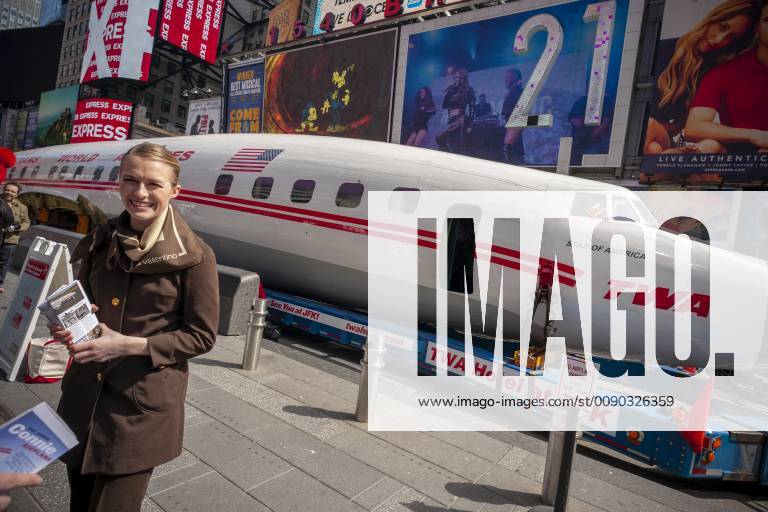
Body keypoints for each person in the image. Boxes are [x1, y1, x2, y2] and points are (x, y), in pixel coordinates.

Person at [49, 142, 219, 512]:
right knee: (78, 501)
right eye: (130, 180)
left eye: (153, 184)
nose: (140, 193)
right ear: (119, 183)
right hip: (84, 398)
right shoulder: (100, 240)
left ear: (175, 191)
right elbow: (87, 305)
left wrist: (129, 346)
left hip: (138, 409)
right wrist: (72, 327)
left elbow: (202, 335)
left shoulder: (195, 257)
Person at [644, 0, 759, 154]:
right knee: (653, 148)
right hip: (647, 138)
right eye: (722, 27)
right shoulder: (661, 50)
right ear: (712, 18)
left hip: (660, 134)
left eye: (731, 38)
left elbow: (683, 126)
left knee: (650, 126)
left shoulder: (713, 71)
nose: (719, 40)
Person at [685, 0, 768, 152]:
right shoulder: (725, 72)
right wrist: (754, 135)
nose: (719, 39)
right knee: (707, 148)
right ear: (757, 28)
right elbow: (694, 127)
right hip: (737, 158)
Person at [0, 181, 30, 294]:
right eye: (7, 190)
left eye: (13, 191)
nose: (9, 193)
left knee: (4, 263)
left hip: (10, 239)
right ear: (3, 190)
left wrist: (17, 227)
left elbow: (27, 222)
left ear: (17, 194)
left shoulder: (22, 207)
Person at [436, 69, 475, 153]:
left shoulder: (469, 90)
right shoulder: (452, 90)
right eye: (455, 77)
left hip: (461, 120)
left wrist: (470, 126)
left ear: (463, 78)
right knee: (441, 139)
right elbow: (444, 105)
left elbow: (472, 109)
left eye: (458, 77)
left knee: (445, 139)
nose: (455, 79)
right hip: (451, 120)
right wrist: (449, 92)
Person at [501, 69, 525, 164]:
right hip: (509, 127)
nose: (505, 80)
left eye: (508, 77)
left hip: (514, 129)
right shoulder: (512, 91)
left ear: (514, 77)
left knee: (515, 155)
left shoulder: (519, 91)